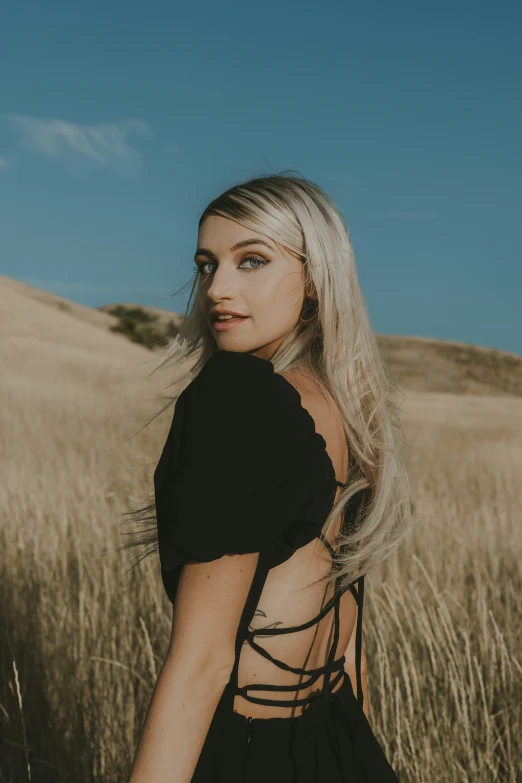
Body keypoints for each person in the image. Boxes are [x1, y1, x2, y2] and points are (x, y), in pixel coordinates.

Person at [125, 173, 414, 782]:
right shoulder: (348, 409)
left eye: (251, 260)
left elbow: (202, 662)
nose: (217, 288)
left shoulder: (240, 401)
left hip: (248, 752)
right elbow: (348, 644)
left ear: (315, 279)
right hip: (335, 737)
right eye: (207, 265)